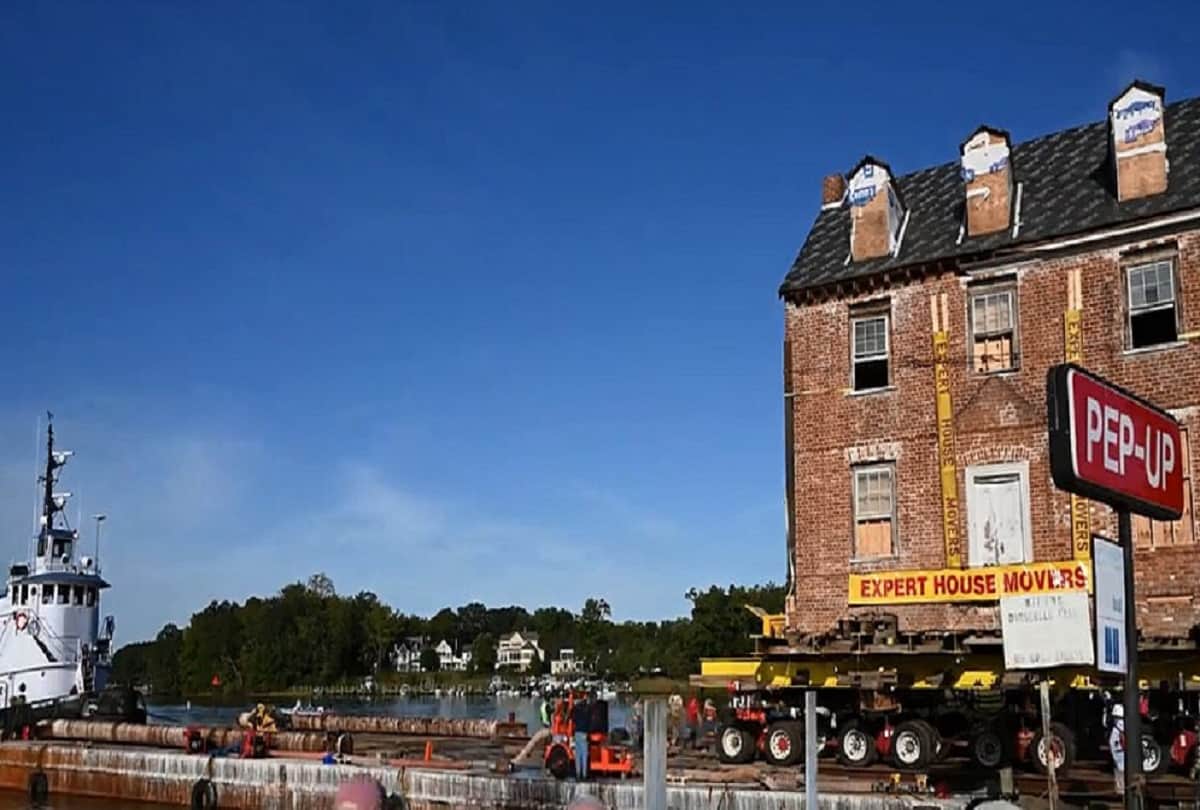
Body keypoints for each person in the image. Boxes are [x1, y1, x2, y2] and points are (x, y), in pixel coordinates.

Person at [572, 692, 592, 780]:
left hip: (577, 733)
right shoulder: (587, 709)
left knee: (578, 755)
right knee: (584, 755)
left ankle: (577, 774)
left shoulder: (576, 708)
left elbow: (573, 718)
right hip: (584, 733)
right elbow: (589, 722)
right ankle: (584, 776)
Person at [1109, 702, 1125, 794]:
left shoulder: (1115, 731)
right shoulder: (1128, 727)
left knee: (1120, 786)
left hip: (1119, 762)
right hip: (1127, 761)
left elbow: (1113, 746)